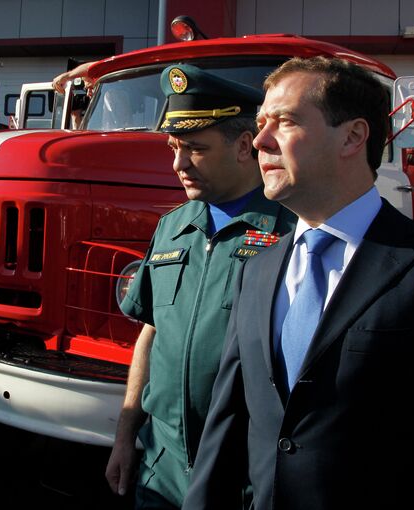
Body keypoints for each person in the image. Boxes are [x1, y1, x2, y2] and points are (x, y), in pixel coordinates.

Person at [183, 56, 414, 510]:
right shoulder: (255, 272)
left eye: (285, 122)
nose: (259, 140)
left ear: (353, 136)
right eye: (260, 124)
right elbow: (226, 429)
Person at [105, 64, 296, 509]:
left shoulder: (291, 233)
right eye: (174, 147)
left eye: (195, 148)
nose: (178, 164)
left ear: (245, 146)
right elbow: (151, 334)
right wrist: (124, 437)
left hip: (242, 477)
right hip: (162, 467)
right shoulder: (173, 227)